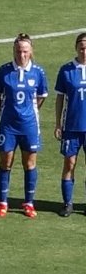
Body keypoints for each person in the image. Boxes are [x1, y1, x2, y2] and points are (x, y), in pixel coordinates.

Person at [0, 33, 48, 218]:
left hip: (30, 125)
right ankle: (2, 202)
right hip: (8, 126)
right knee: (5, 162)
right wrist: (5, 113)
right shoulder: (4, 71)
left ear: (31, 51)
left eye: (25, 51)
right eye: (18, 51)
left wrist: (28, 112)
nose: (21, 55)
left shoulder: (38, 72)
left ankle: (29, 203)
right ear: (13, 51)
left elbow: (40, 98)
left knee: (29, 164)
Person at [54, 33, 86, 217]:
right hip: (71, 127)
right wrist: (58, 123)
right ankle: (67, 203)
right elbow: (60, 98)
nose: (84, 51)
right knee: (69, 163)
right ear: (76, 48)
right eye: (81, 47)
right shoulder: (67, 70)